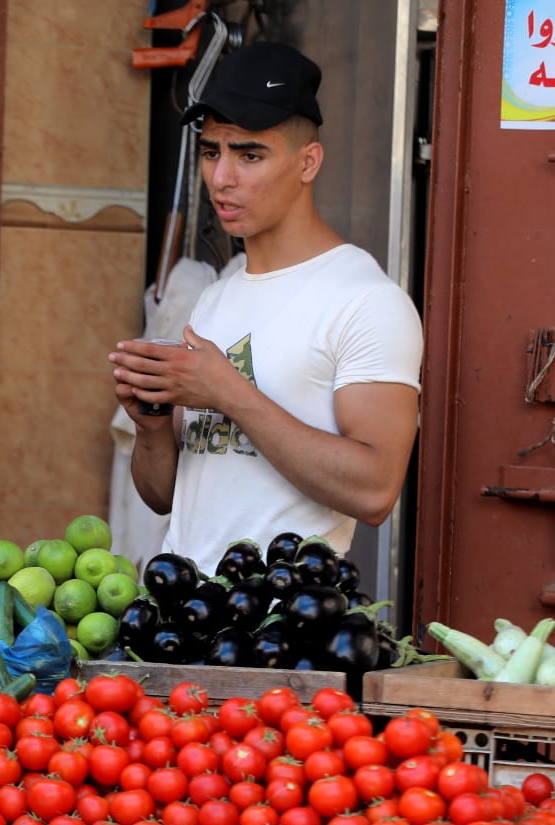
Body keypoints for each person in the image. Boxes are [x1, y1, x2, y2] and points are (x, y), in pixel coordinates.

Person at [109, 41, 423, 576]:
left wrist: (227, 392)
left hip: (282, 616)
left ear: (308, 162)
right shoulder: (216, 297)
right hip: (184, 610)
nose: (221, 178)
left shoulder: (366, 301)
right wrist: (152, 427)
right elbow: (164, 498)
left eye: (249, 155)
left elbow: (375, 492)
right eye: (212, 152)